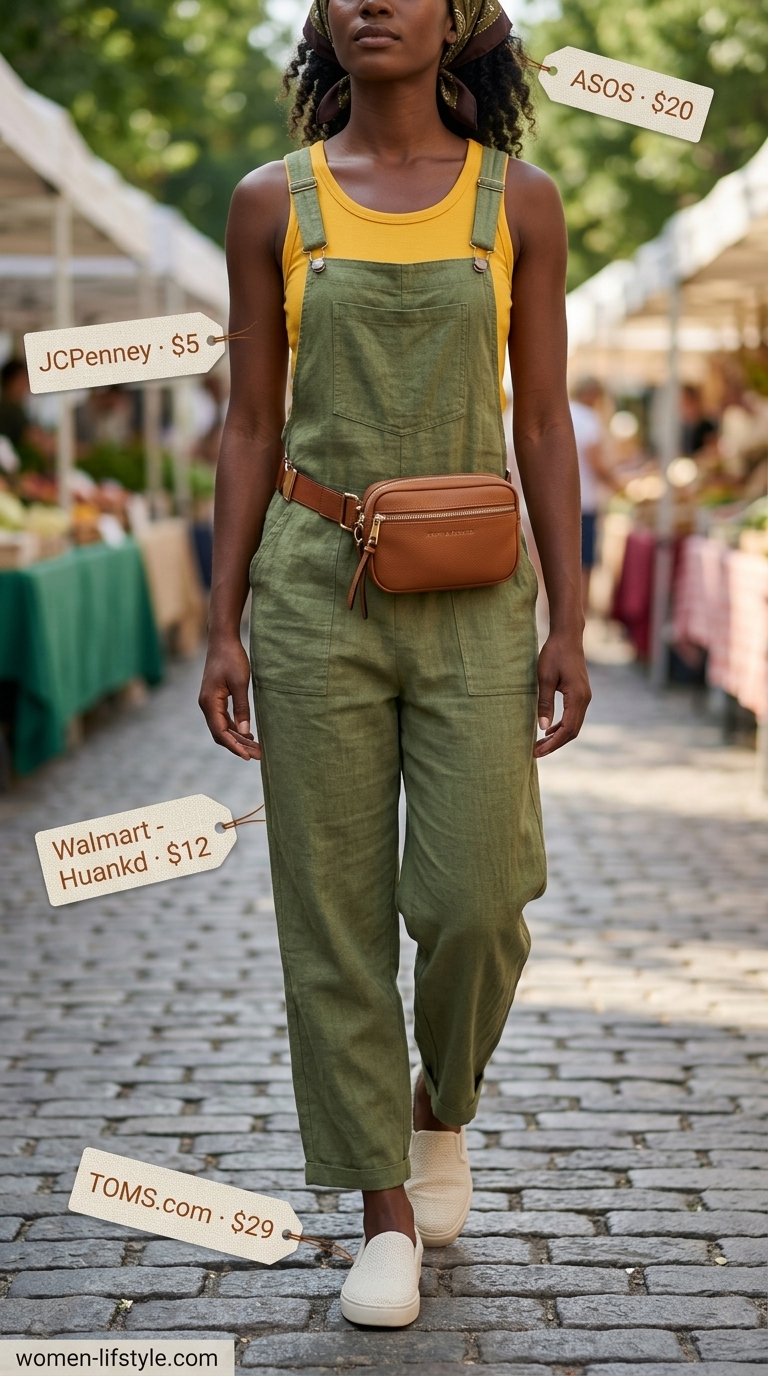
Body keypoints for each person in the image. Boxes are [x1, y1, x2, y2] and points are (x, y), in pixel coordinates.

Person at [200, 0, 590, 1326]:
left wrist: (574, 620)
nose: (373, 0)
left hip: (481, 592)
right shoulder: (272, 203)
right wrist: (220, 623)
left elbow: (544, 419)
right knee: (333, 916)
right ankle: (380, 1209)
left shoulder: (518, 203)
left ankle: (438, 1107)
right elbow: (250, 421)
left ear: (456, 20)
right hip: (316, 587)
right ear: (318, 18)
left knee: (480, 895)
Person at [568, 377, 618, 615]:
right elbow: (596, 463)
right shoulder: (589, 419)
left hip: (564, 500)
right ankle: (578, 617)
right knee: (583, 565)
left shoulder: (565, 413)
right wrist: (619, 486)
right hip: (584, 502)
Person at [0, 360, 55, 471]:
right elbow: (30, 437)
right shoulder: (10, 407)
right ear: (11, 381)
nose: (26, 385)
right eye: (23, 380)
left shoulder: (14, 406)